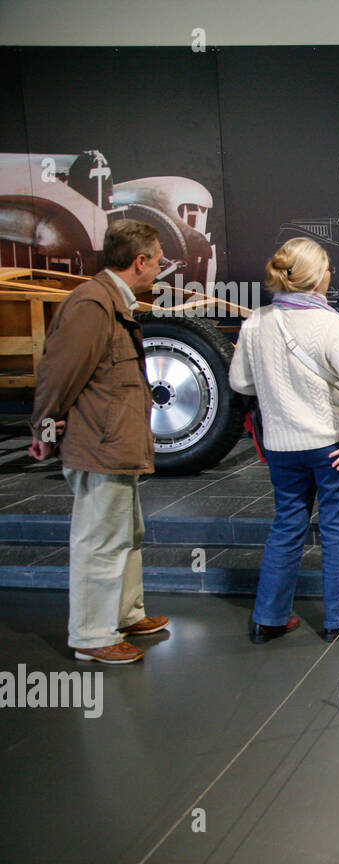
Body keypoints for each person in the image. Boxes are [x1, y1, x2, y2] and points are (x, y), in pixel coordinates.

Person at [28, 219, 170, 664]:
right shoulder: (91, 304)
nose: (161, 267)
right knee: (100, 539)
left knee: (127, 532)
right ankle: (91, 635)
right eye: (159, 259)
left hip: (116, 443)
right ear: (140, 261)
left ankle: (125, 613)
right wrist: (44, 428)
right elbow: (59, 373)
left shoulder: (112, 301)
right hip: (100, 444)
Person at [229, 238, 339, 644]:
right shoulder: (331, 324)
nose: (332, 274)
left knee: (287, 525)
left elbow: (240, 381)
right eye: (328, 267)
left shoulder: (256, 322)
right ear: (317, 277)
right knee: (336, 528)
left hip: (280, 445)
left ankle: (269, 618)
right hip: (331, 447)